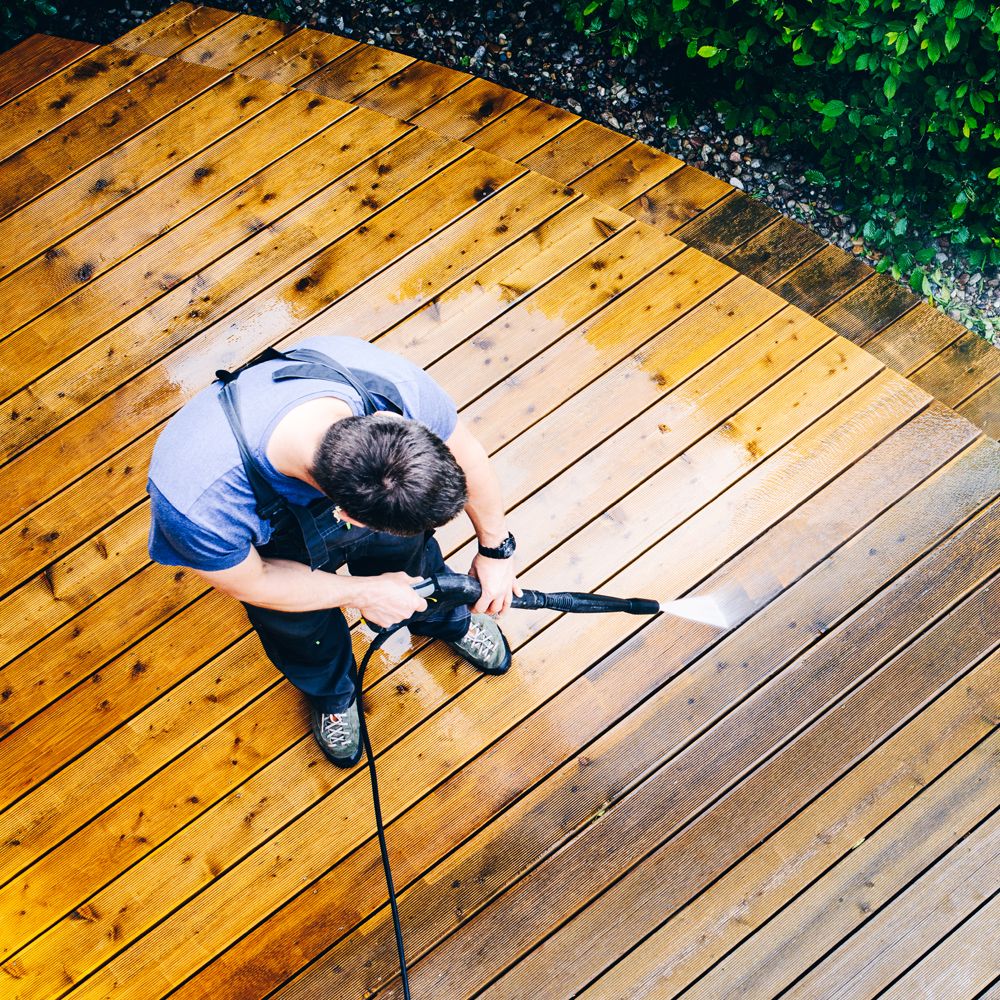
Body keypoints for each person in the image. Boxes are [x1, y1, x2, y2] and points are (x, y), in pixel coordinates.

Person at [146, 335, 519, 768]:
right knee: (300, 628)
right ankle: (333, 692)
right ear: (348, 517)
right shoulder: (198, 501)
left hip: (355, 507)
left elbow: (465, 453)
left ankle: (444, 618)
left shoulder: (389, 388)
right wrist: (361, 593)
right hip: (272, 557)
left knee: (414, 561)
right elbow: (255, 582)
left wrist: (496, 550)